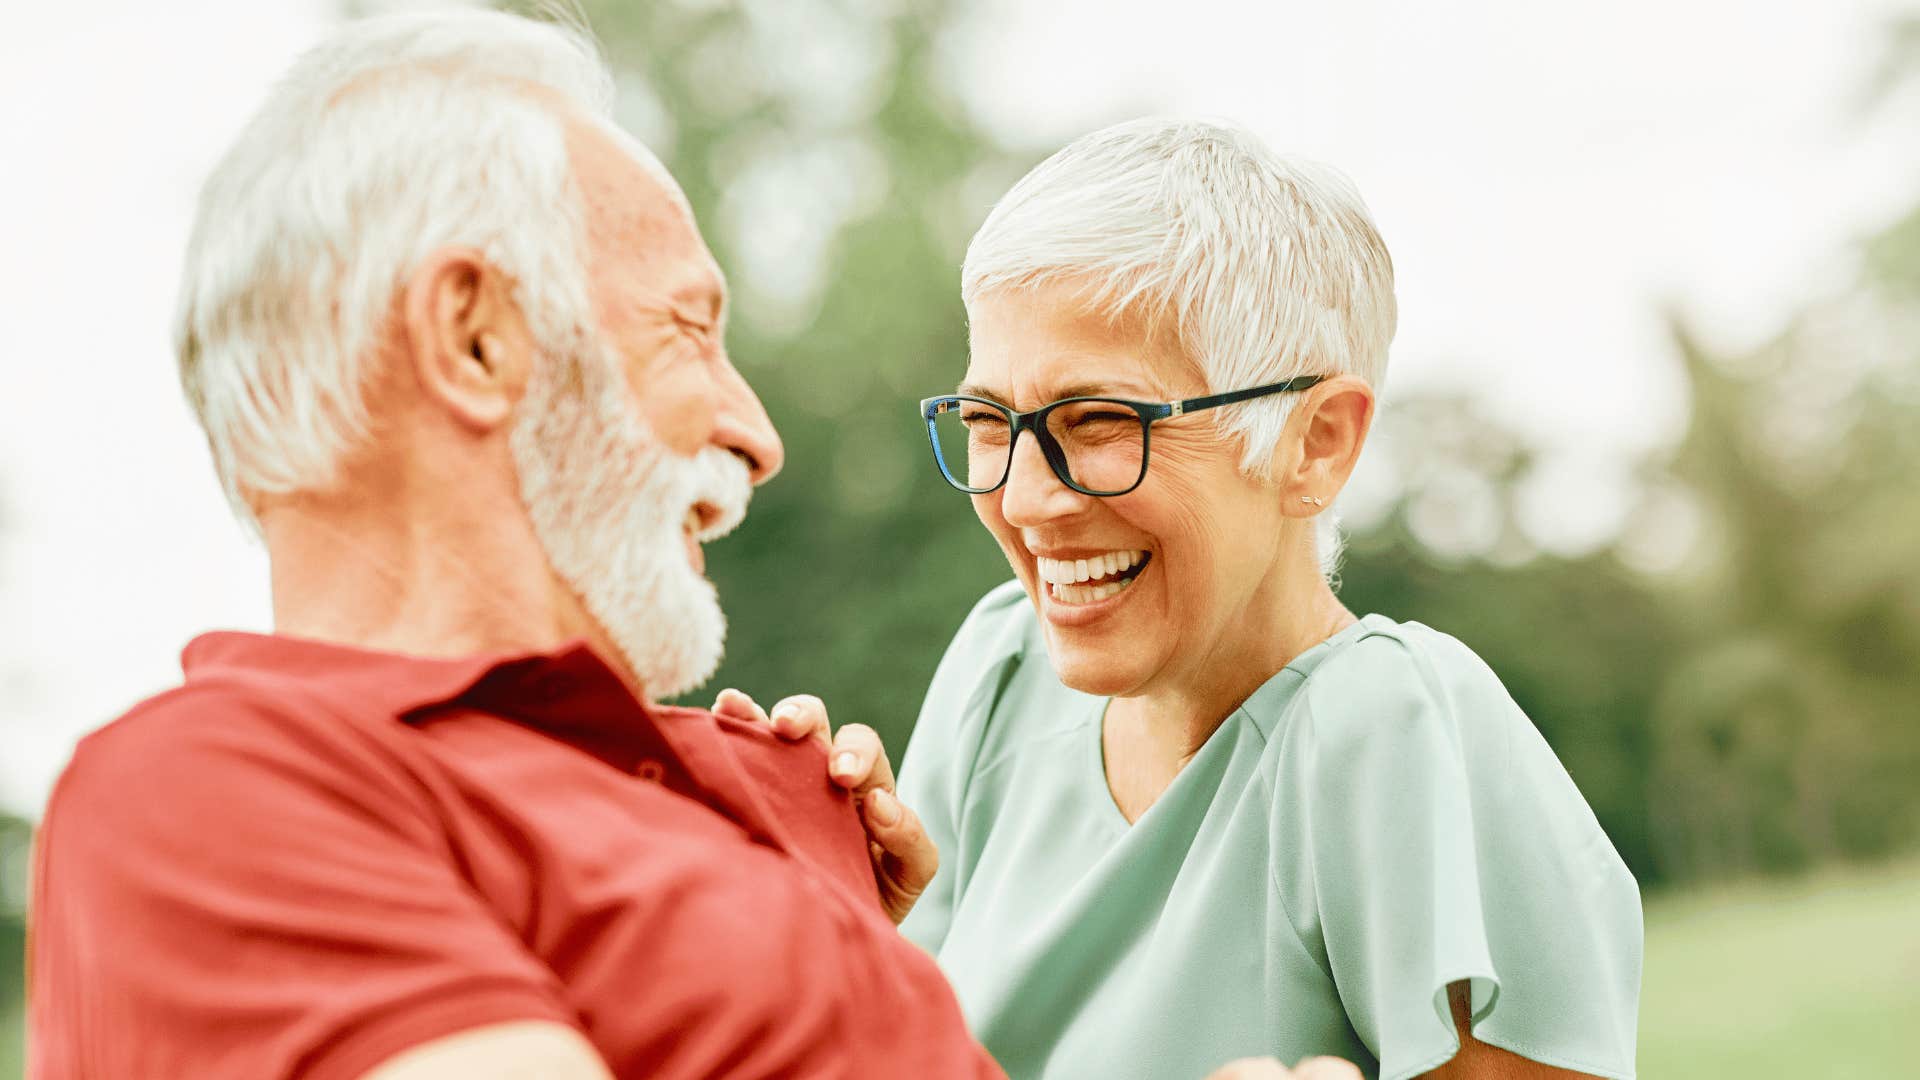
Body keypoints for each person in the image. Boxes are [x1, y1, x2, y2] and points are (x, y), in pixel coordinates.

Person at [25, 10, 994, 1079]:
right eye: (686, 330)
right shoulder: (199, 794)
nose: (758, 438)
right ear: (475, 338)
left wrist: (840, 956)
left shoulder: (733, 790)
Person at [882, 119, 1645, 1080]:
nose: (1027, 498)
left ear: (1316, 440)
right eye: (991, 421)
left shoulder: (1386, 730)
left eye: (1101, 420)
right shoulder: (998, 672)